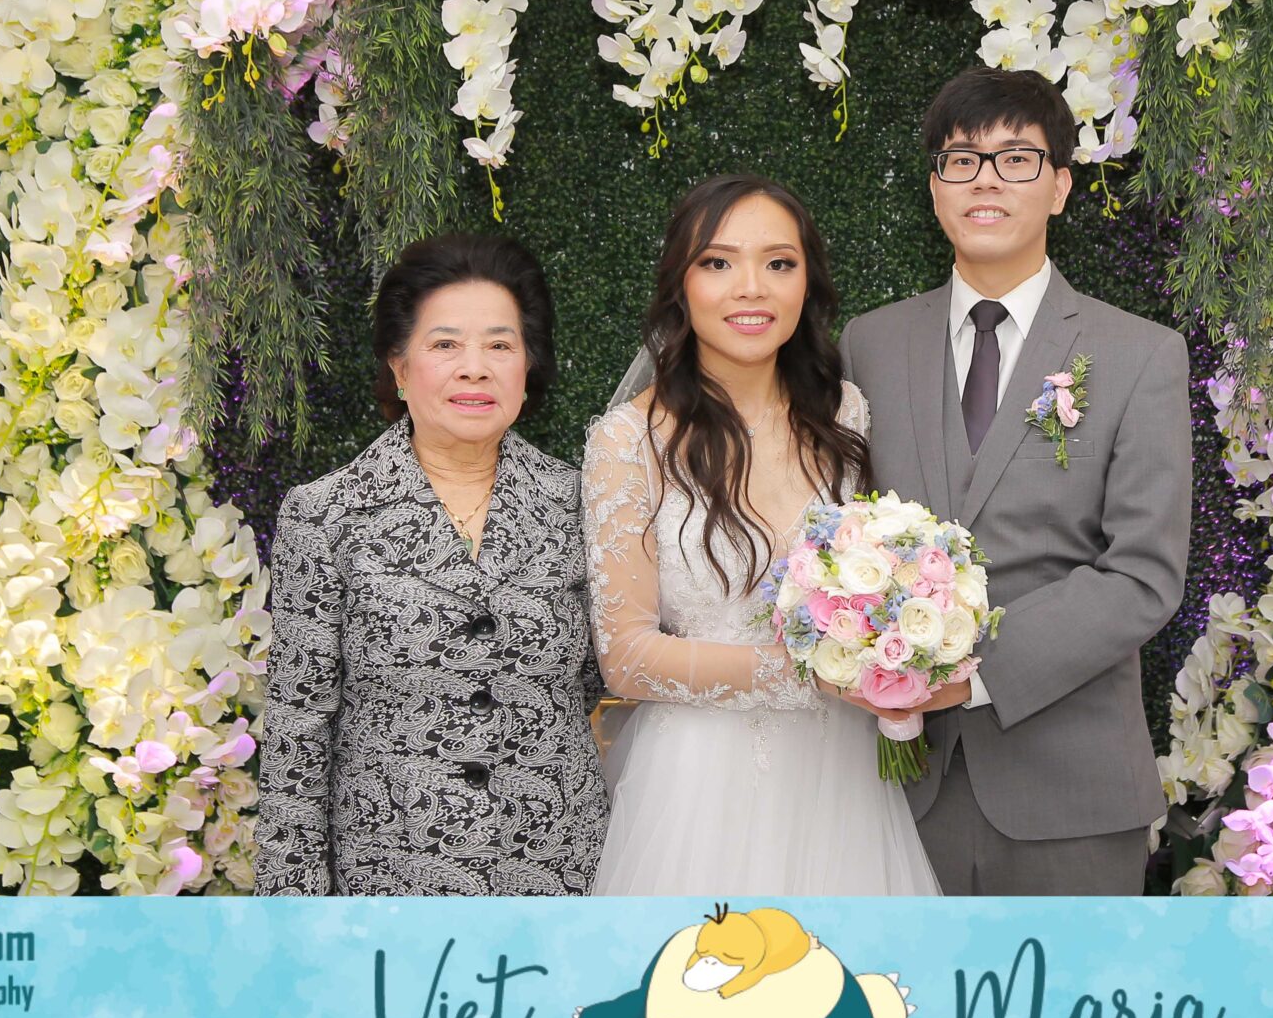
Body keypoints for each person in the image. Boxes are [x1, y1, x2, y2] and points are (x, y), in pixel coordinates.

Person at [839, 67, 1192, 895]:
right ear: (936, 188)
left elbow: (1144, 572)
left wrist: (969, 672)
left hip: (1071, 792)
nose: (986, 180)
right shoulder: (870, 344)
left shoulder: (1139, 354)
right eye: (962, 160)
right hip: (901, 793)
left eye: (1017, 159)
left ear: (1060, 186)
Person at [582, 175, 941, 895]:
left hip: (842, 777)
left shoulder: (846, 415)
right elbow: (626, 658)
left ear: (808, 282)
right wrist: (819, 674)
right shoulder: (628, 442)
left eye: (779, 263)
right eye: (718, 262)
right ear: (681, 285)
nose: (751, 287)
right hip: (696, 785)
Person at [256, 233, 608, 895]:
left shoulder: (584, 504)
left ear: (528, 365)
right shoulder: (327, 514)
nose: (475, 368)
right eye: (445, 344)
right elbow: (297, 731)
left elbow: (594, 678)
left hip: (558, 872)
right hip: (388, 883)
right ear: (399, 366)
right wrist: (292, 915)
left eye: (500, 345)